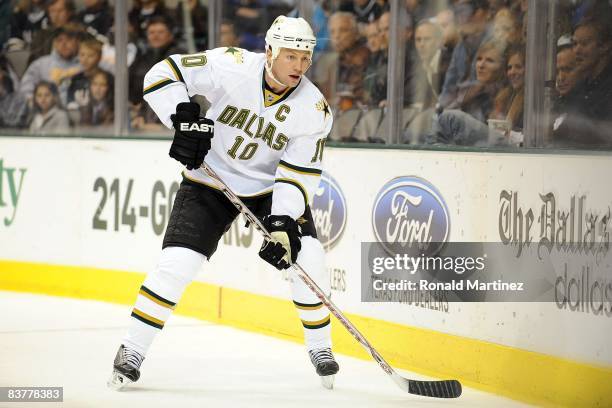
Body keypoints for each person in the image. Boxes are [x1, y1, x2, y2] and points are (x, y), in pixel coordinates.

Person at [108, 16, 338, 391]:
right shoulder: (231, 65)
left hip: (268, 190)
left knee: (307, 257)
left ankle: (321, 348)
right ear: (269, 51)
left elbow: (298, 173)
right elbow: (162, 73)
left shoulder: (314, 109)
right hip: (209, 179)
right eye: (291, 56)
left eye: (305, 58)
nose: (299, 66)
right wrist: (182, 119)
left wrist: (281, 220)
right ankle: (131, 350)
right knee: (176, 264)